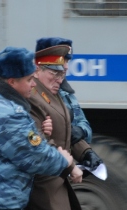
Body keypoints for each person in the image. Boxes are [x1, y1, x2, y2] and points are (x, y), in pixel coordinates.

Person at [0, 47, 76, 210]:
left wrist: (34, 129)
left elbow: (4, 137)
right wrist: (64, 161)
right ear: (11, 81)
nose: (34, 85)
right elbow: (36, 158)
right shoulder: (11, 114)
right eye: (28, 80)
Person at [25, 44, 102, 210]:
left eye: (62, 73)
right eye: (55, 73)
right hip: (43, 184)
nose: (60, 79)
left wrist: (85, 152)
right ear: (37, 70)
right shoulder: (32, 96)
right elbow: (40, 140)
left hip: (56, 180)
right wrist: (71, 167)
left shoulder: (53, 93)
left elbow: (66, 130)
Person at [35, 37, 103, 170]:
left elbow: (84, 126)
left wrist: (84, 150)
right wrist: (71, 167)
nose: (65, 66)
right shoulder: (30, 93)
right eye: (61, 60)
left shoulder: (65, 93)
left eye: (66, 61)